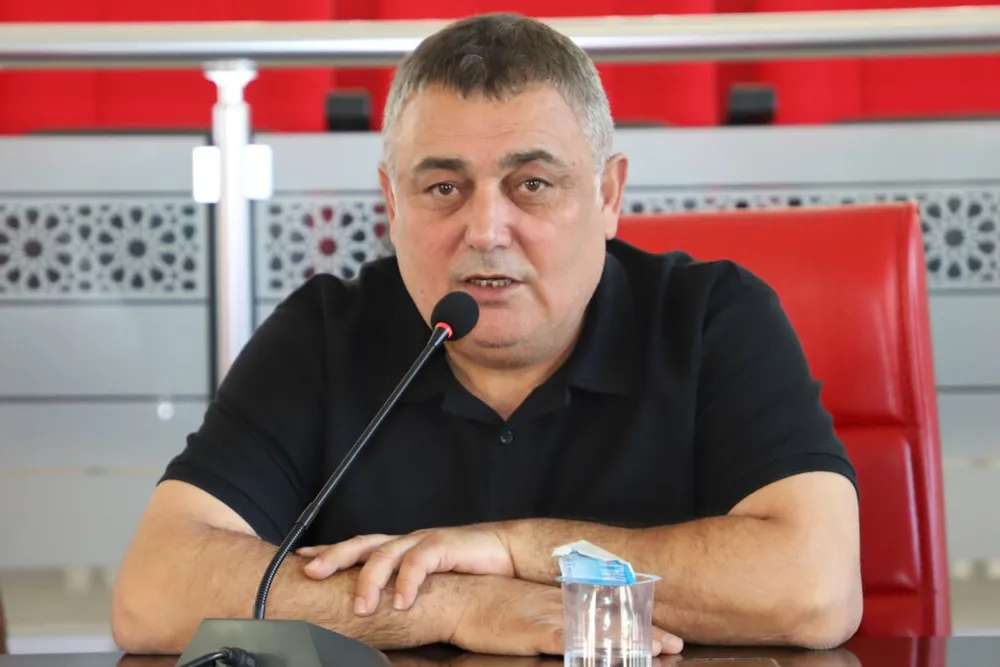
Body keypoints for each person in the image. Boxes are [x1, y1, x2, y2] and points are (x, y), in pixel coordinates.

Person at [111, 11, 863, 658]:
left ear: (607, 195)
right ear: (391, 204)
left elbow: (816, 589)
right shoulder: (325, 334)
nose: (485, 230)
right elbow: (153, 591)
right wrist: (453, 603)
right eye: (443, 187)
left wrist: (517, 550)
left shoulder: (711, 318)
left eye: (531, 184)